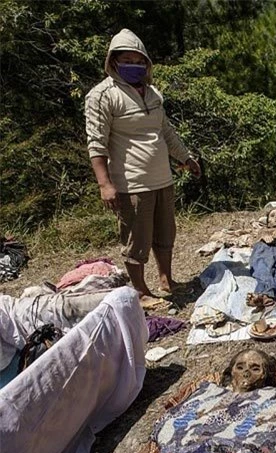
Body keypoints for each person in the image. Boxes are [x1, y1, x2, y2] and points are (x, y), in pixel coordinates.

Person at [85, 29, 200, 307]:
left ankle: (166, 279)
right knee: (137, 239)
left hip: (162, 178)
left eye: (138, 60)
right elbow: (96, 143)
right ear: (113, 62)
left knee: (165, 234)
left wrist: (185, 158)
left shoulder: (152, 94)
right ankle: (140, 291)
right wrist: (105, 184)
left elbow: (166, 131)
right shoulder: (102, 96)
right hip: (131, 181)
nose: (133, 65)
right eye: (126, 60)